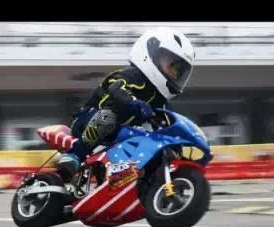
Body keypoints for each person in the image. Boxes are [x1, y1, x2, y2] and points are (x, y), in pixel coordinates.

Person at [58, 27, 196, 179]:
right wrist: (135, 103)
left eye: (179, 71)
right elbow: (116, 89)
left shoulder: (160, 101)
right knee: (107, 117)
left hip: (117, 135)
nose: (175, 73)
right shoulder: (132, 76)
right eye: (172, 65)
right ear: (151, 53)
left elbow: (169, 126)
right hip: (87, 121)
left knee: (153, 140)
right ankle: (75, 155)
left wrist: (178, 151)